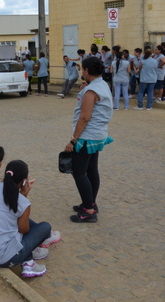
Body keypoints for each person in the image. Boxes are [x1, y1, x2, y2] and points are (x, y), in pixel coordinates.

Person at [0, 161, 58, 278]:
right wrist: (24, 196)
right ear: (24, 181)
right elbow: (23, 230)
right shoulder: (22, 202)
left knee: (19, 218)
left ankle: (30, 257)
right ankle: (29, 261)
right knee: (45, 227)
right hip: (1, 258)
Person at [64, 57, 113, 223]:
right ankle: (90, 202)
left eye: (82, 69)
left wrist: (73, 140)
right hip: (98, 135)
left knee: (79, 172)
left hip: (87, 136)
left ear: (86, 71)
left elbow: (84, 117)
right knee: (92, 170)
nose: (81, 72)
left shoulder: (91, 91)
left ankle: (89, 210)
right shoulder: (101, 85)